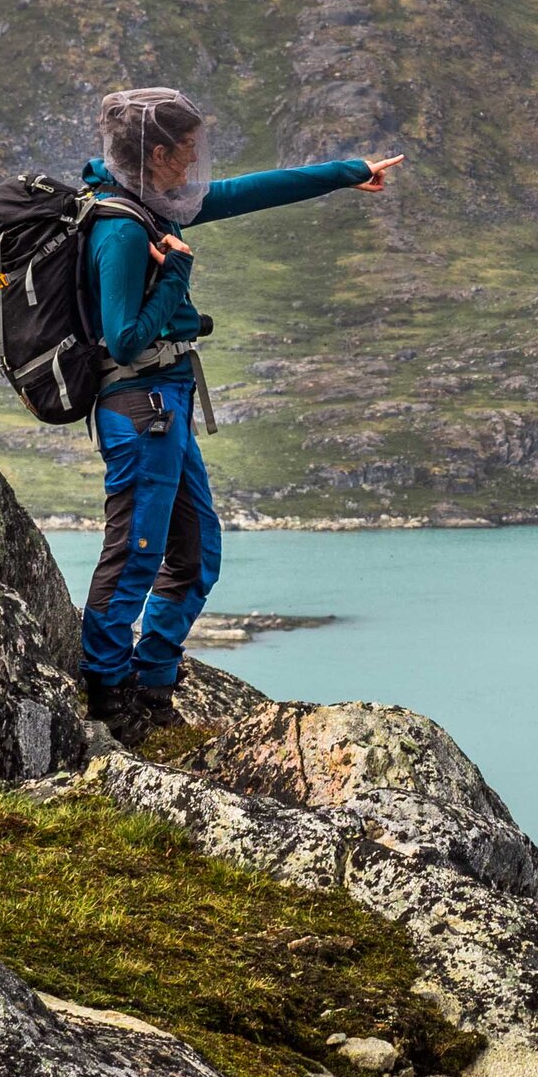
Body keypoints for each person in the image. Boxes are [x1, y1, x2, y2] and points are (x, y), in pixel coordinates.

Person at [77, 86, 403, 740]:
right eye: (191, 149)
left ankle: (154, 681)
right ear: (159, 152)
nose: (199, 163)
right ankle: (109, 695)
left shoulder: (155, 206)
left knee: (195, 555)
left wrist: (349, 172)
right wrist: (174, 277)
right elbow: (123, 339)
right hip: (140, 410)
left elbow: (251, 190)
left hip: (166, 407)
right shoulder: (120, 228)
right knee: (135, 553)